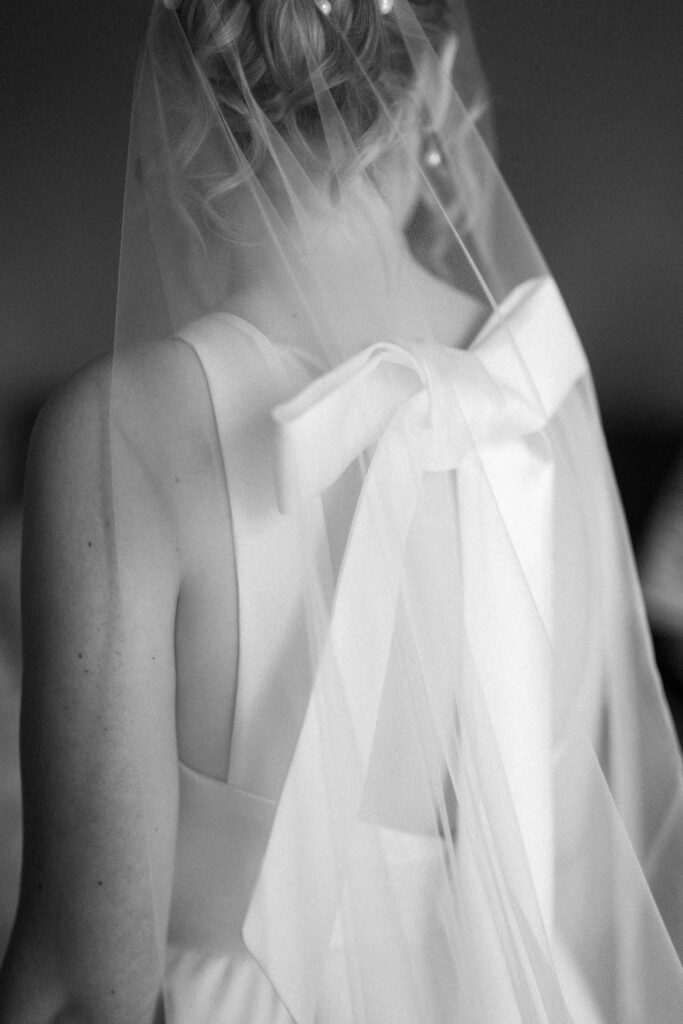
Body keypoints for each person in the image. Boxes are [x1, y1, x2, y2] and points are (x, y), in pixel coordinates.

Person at [1, 1, 681, 1021]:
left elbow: (80, 985)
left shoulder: (123, 438)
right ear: (438, 86)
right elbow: (571, 848)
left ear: (183, 99)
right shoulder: (535, 388)